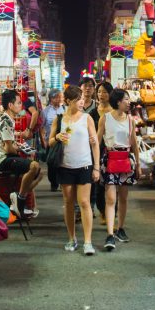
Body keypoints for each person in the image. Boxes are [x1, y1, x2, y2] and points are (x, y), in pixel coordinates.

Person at [49, 85, 100, 256]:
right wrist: (57, 137)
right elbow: (49, 142)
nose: (82, 102)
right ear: (69, 101)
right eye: (78, 99)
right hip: (65, 166)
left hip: (84, 165)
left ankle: (88, 241)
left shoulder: (87, 118)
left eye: (82, 99)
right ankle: (71, 238)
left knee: (84, 202)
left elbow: (95, 144)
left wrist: (97, 168)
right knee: (69, 203)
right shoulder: (59, 119)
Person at [97, 89, 140, 250]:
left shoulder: (130, 120)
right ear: (118, 102)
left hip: (126, 160)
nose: (129, 102)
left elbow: (134, 143)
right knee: (110, 199)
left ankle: (120, 228)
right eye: (126, 99)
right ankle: (109, 234)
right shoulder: (105, 118)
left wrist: (139, 165)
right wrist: (95, 164)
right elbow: (97, 139)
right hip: (110, 159)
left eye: (129, 99)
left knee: (123, 197)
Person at [0, 89, 42, 219]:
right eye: (18, 103)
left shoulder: (9, 120)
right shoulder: (6, 121)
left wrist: (16, 147)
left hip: (7, 157)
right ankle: (19, 200)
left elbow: (9, 145)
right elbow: (8, 150)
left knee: (38, 171)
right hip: (3, 160)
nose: (21, 106)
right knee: (34, 166)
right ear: (10, 105)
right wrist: (19, 149)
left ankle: (19, 198)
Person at [92, 81, 114, 222]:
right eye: (99, 91)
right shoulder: (92, 113)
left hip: (113, 151)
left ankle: (113, 211)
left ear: (110, 94)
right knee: (98, 184)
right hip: (97, 151)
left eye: (105, 92)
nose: (101, 95)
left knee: (113, 184)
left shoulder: (116, 112)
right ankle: (102, 211)